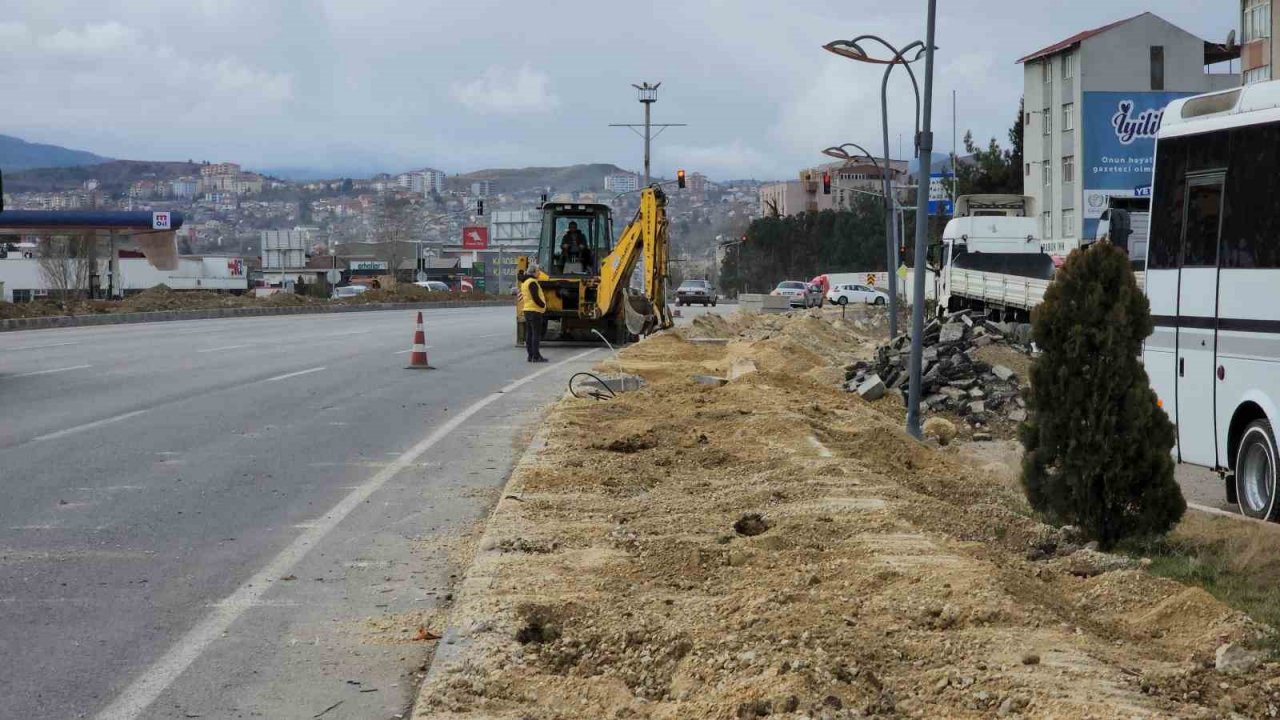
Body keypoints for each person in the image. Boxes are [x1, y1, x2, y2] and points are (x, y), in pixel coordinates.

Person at [518, 267, 548, 362]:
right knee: (536, 334)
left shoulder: (525, 282)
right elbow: (535, 296)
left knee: (529, 334)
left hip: (527, 310)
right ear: (534, 272)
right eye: (538, 271)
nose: (539, 273)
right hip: (534, 311)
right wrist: (542, 304)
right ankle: (536, 356)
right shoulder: (532, 282)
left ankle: (530, 355)